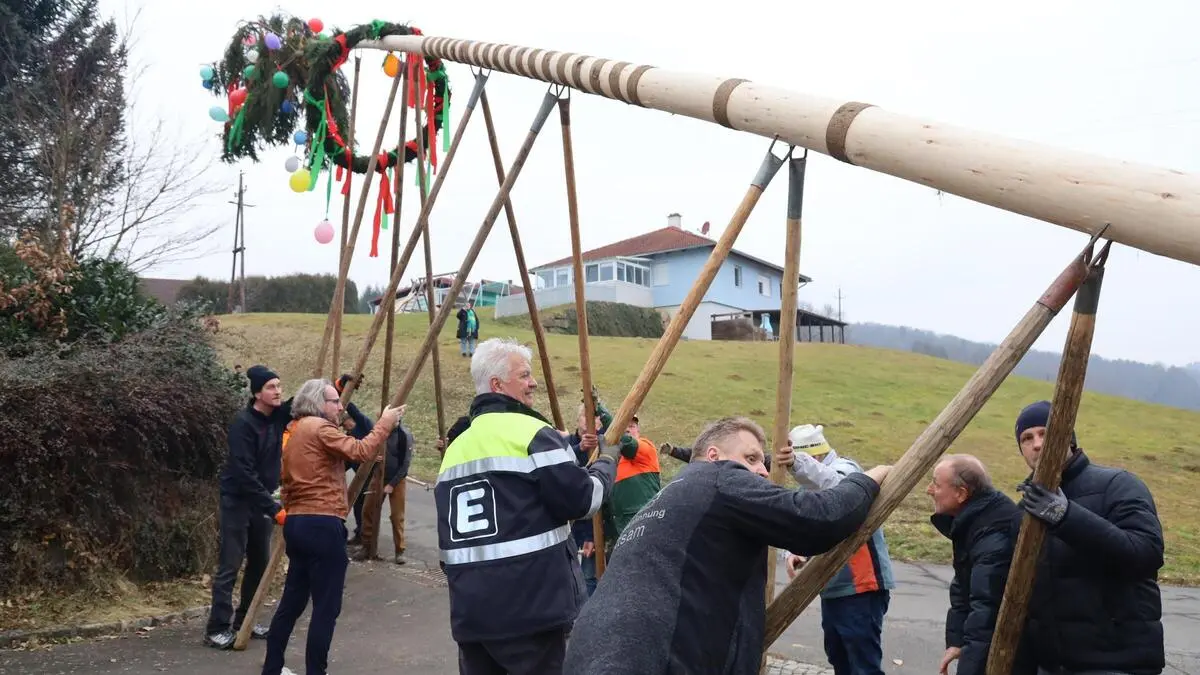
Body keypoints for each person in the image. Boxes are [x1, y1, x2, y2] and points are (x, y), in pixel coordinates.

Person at [563, 416, 891, 675]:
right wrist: (870, 477)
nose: (763, 470)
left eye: (762, 460)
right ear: (714, 456)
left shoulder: (666, 501)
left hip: (591, 654)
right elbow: (820, 518)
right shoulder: (719, 478)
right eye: (751, 458)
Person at [435, 337, 619, 675]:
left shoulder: (455, 450)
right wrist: (607, 461)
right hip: (533, 613)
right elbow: (583, 499)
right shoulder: (532, 432)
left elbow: (448, 545)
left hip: (472, 616)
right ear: (497, 384)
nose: (533, 382)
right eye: (524, 375)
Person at [1012, 399, 1165, 675]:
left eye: (1045, 433)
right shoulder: (1026, 509)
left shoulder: (1118, 485)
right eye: (1026, 438)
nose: (1037, 444)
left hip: (1117, 664)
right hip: (1052, 666)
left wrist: (1067, 517)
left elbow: (1147, 554)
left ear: (1068, 437)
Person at [260, 378, 401, 675]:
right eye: (334, 401)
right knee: (326, 608)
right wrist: (385, 423)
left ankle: (272, 668)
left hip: (297, 523)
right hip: (322, 523)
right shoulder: (320, 428)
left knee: (292, 602)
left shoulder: (294, 430)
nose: (340, 406)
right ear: (316, 402)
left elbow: (286, 482)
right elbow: (361, 451)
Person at [775, 424, 895, 675]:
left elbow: (838, 491)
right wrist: (794, 552)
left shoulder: (846, 470)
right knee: (838, 654)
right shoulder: (808, 487)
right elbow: (804, 526)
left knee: (862, 662)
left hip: (861, 585)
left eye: (797, 463)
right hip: (833, 587)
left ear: (813, 458)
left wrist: (797, 463)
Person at [205, 365, 287, 649]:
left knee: (259, 563)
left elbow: (304, 405)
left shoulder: (277, 418)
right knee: (230, 563)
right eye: (271, 387)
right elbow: (243, 474)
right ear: (257, 393)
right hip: (238, 501)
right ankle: (216, 628)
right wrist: (273, 507)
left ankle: (245, 621)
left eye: (279, 386)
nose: (278, 391)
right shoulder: (243, 424)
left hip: (260, 502)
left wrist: (337, 387)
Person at [926, 454, 1021, 675]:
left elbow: (986, 609)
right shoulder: (972, 521)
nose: (929, 490)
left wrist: (969, 668)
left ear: (961, 494)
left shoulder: (993, 533)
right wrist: (956, 641)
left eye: (936, 484)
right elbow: (963, 585)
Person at [360, 406, 416, 564]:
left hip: (397, 480)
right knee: (368, 510)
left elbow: (405, 464)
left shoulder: (404, 436)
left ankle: (400, 550)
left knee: (397, 516)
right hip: (378, 477)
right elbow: (367, 450)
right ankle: (367, 546)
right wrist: (373, 459)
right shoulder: (379, 434)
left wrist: (392, 484)